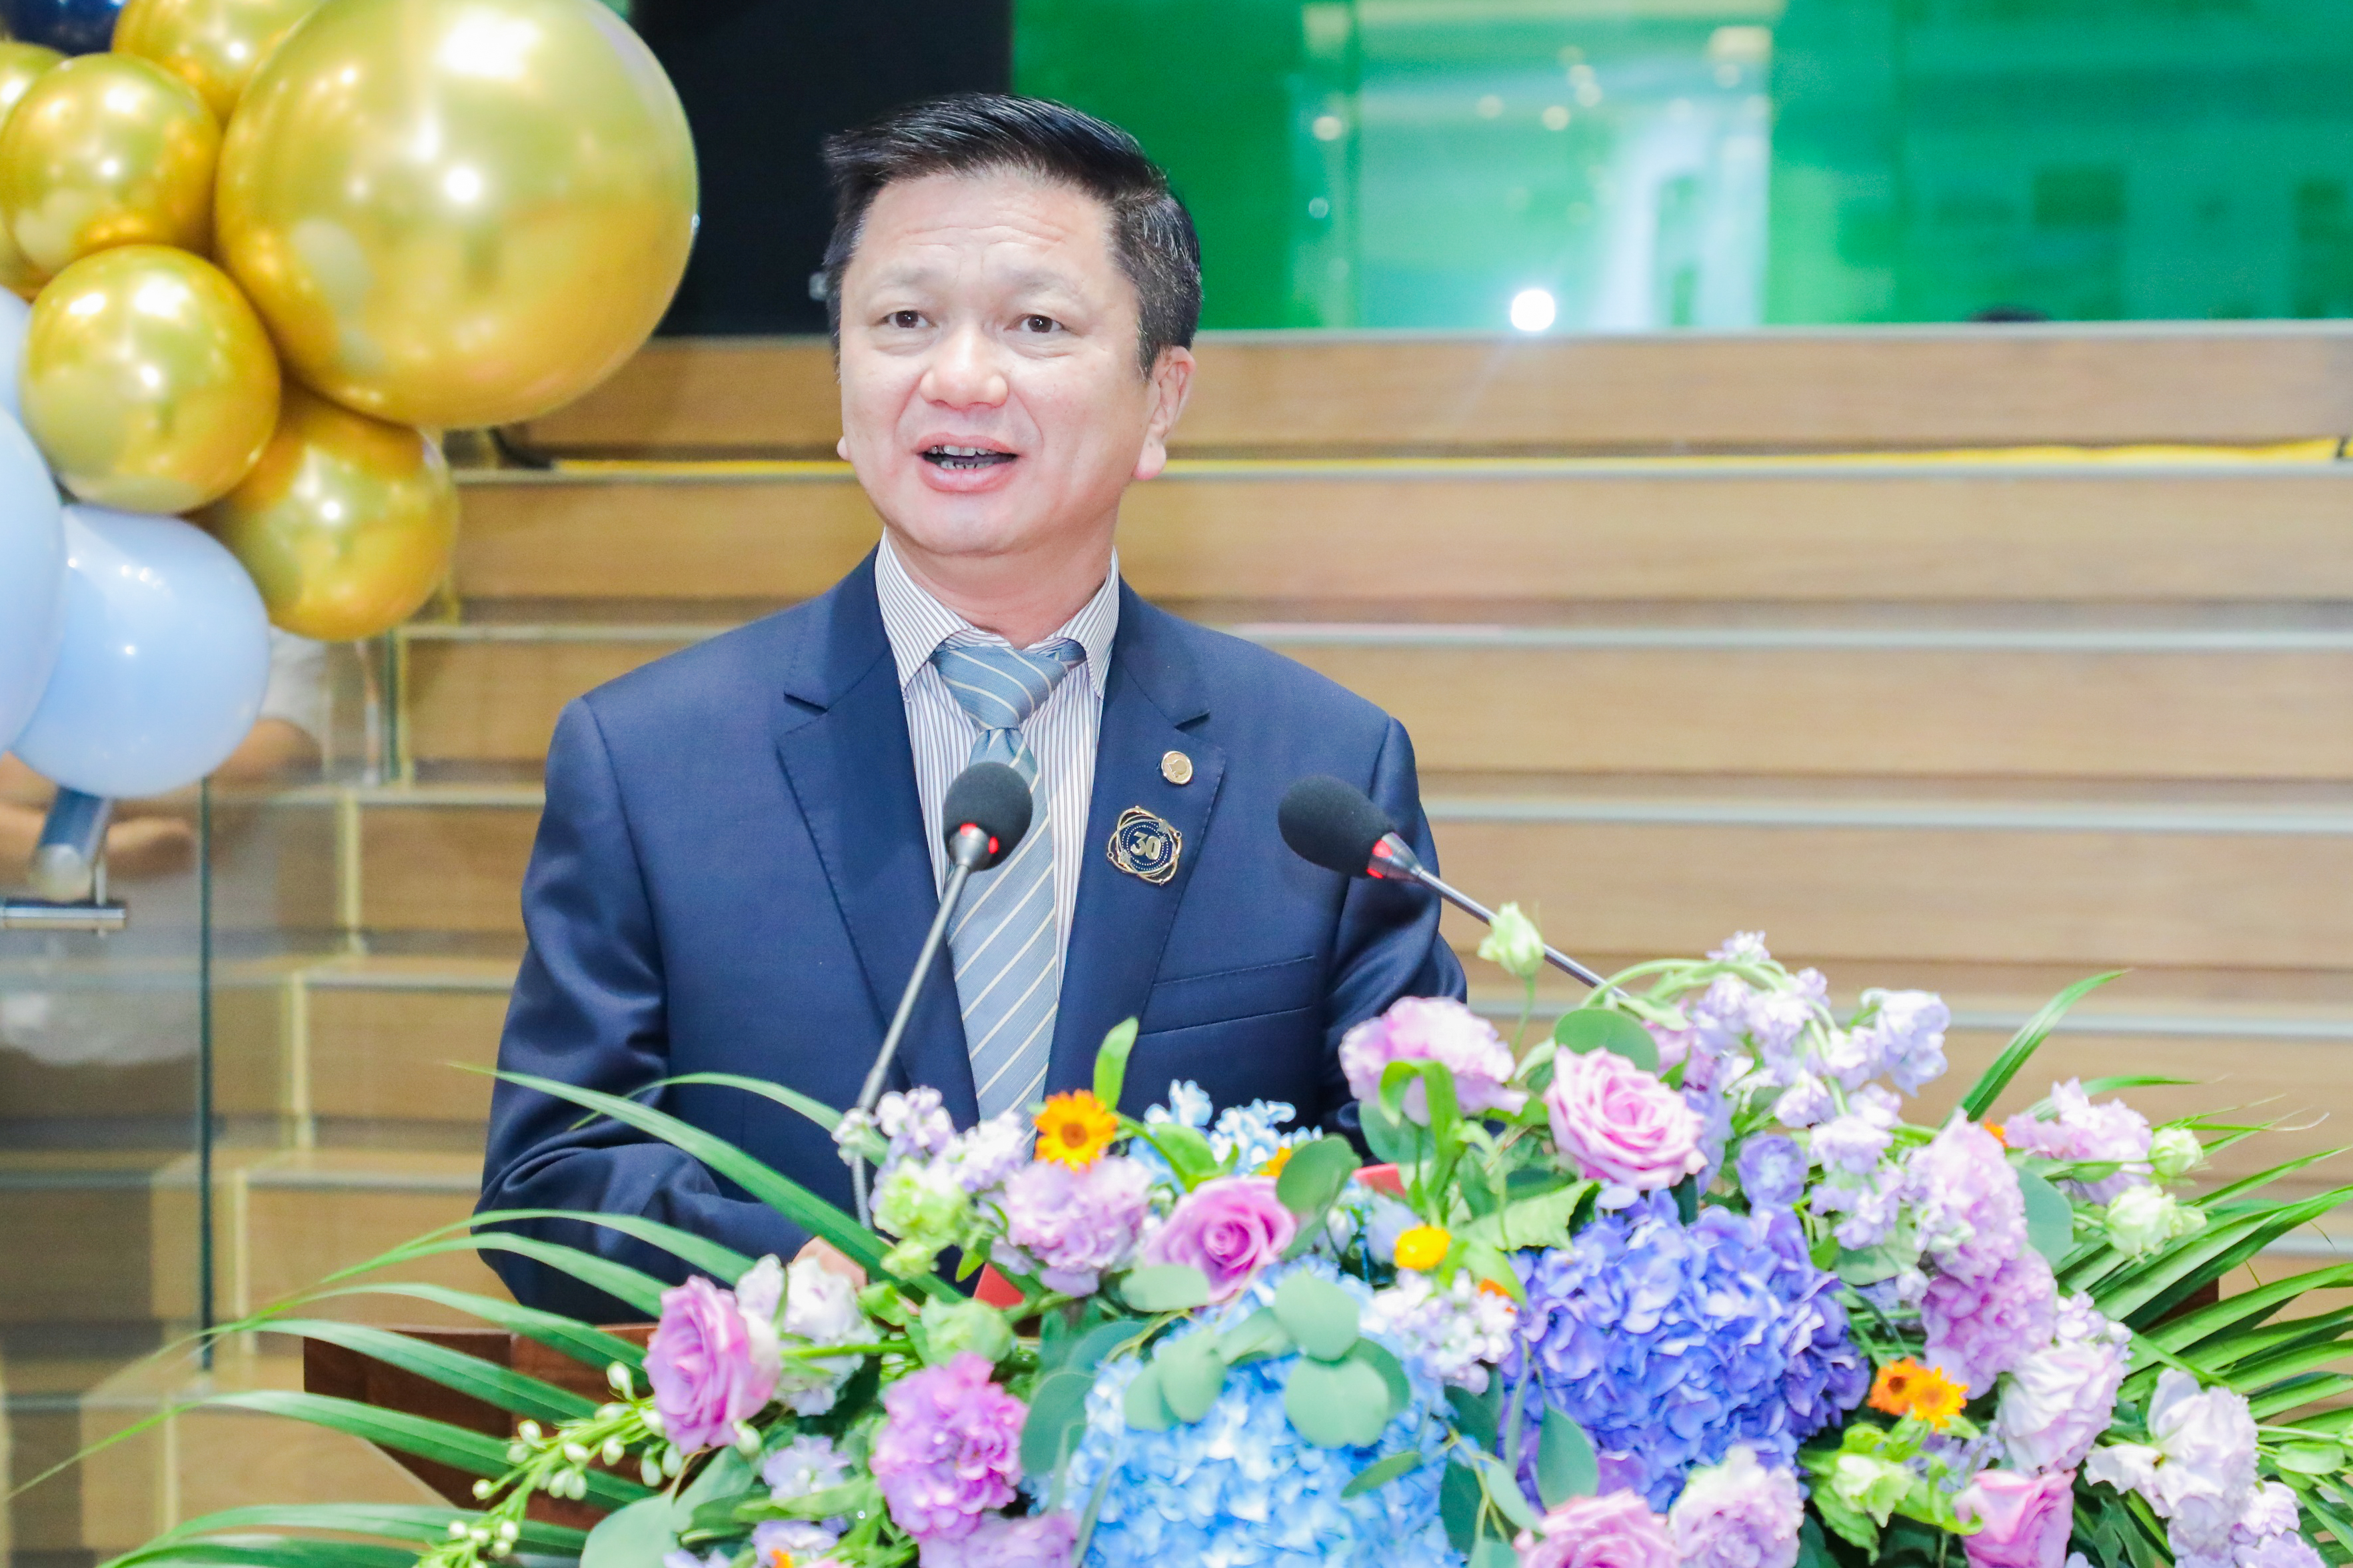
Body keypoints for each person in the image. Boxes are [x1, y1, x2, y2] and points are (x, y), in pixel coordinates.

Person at [477, 94, 1466, 1318]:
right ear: (840, 381)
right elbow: (552, 1179)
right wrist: (816, 1296)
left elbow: (1414, 1175)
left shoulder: (1320, 772)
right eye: (903, 320)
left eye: (1035, 324)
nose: (957, 377)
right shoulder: (648, 762)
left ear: (1162, 398)